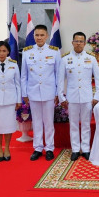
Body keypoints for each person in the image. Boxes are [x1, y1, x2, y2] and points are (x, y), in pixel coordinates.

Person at [58, 32, 99, 161]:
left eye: (81, 41)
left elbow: (98, 79)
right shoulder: (65, 59)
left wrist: (97, 96)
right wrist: (62, 97)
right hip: (71, 98)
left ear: (85, 43)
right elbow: (60, 80)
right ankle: (76, 149)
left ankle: (86, 149)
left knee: (86, 124)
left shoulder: (91, 58)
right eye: (76, 41)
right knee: (73, 124)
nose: (78, 43)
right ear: (72, 42)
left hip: (87, 97)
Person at [21, 25, 61, 161]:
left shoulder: (54, 52)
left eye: (42, 35)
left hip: (49, 92)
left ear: (47, 36)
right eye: (37, 35)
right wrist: (24, 93)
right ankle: (37, 147)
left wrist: (58, 93)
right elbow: (24, 75)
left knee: (48, 122)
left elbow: (58, 75)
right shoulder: (27, 52)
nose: (39, 38)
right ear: (33, 36)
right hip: (33, 92)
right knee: (37, 121)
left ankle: (49, 147)